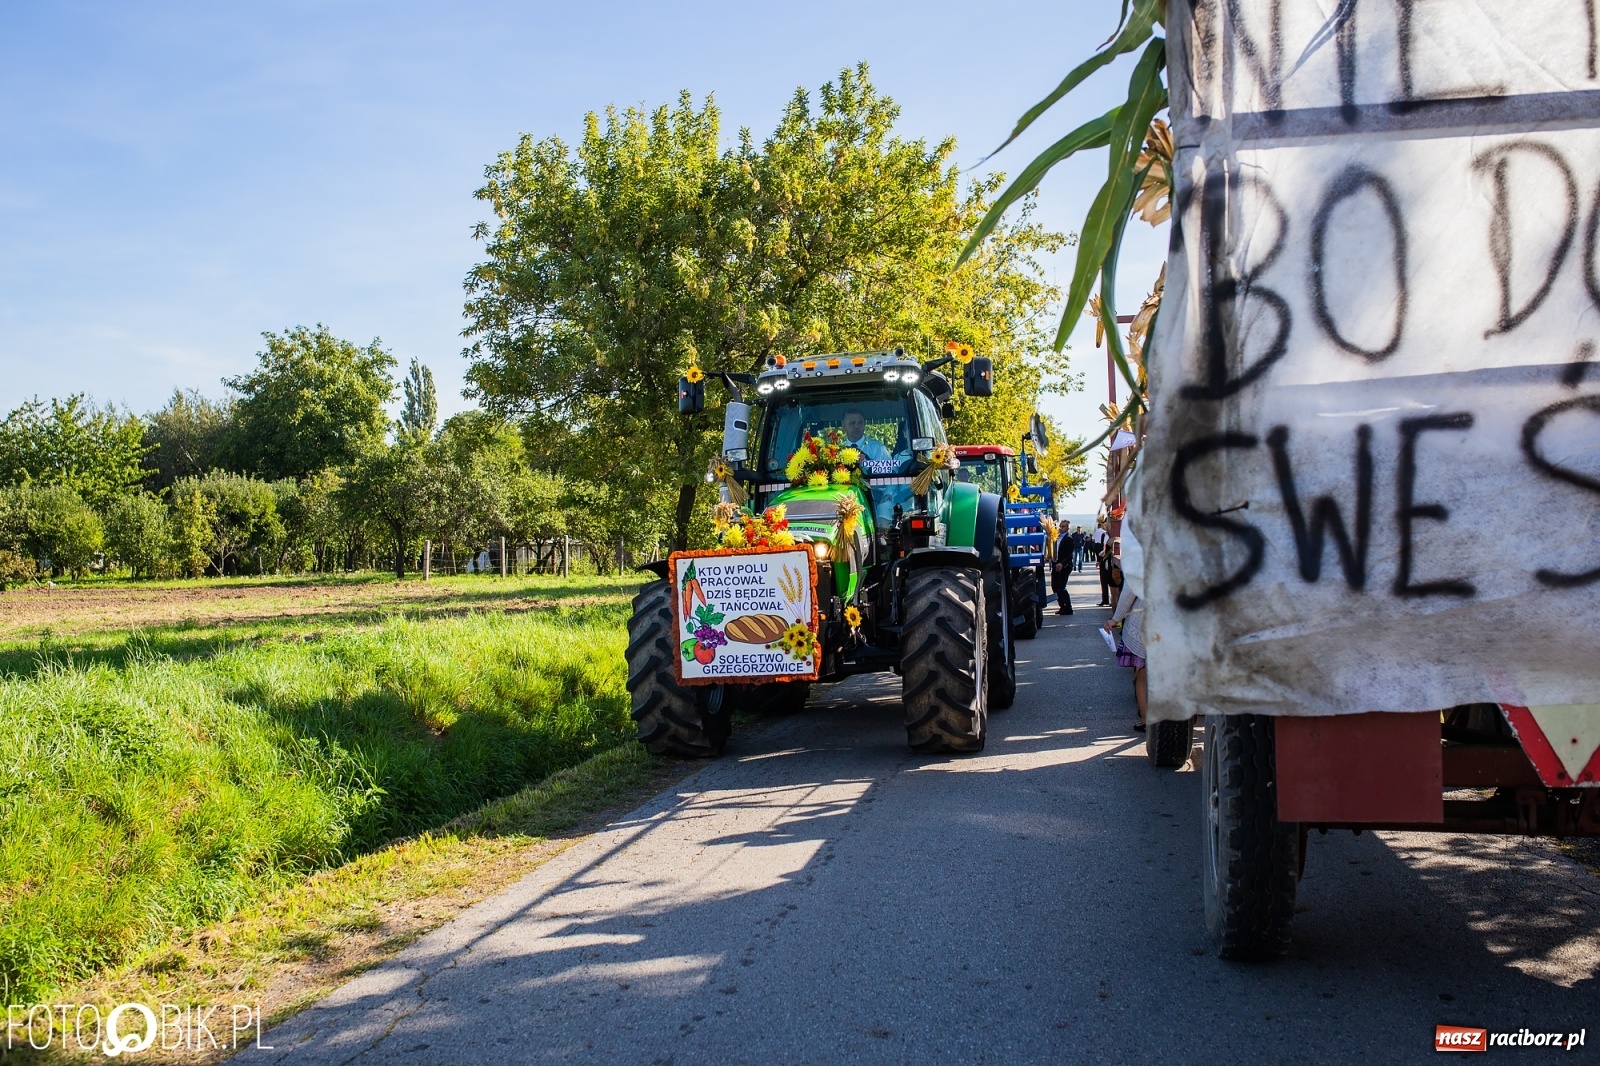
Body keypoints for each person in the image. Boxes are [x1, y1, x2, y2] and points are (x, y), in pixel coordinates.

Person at [1051, 525, 1074, 615]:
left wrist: (1062, 564)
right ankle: (1062, 606)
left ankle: (1068, 607)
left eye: (1063, 526)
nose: (1061, 528)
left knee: (1061, 587)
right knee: (1054, 586)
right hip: (1056, 565)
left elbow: (1070, 555)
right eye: (1060, 526)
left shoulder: (1069, 539)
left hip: (1065, 566)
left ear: (1068, 528)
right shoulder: (1056, 537)